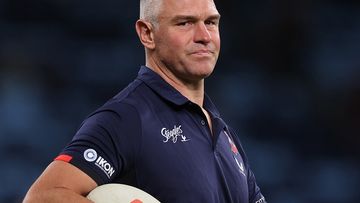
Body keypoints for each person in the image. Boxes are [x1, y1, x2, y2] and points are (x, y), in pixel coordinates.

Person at [24, 0, 266, 202]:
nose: (204, 36)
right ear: (147, 34)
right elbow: (43, 197)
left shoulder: (226, 135)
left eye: (211, 23)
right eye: (185, 23)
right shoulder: (127, 118)